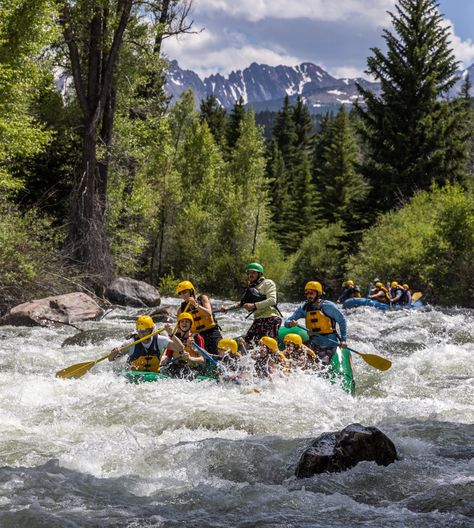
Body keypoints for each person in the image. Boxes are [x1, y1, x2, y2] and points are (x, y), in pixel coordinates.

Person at [285, 281, 348, 366]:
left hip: (329, 344)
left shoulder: (328, 306)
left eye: (311, 293)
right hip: (313, 342)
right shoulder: (304, 308)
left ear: (318, 293)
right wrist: (290, 324)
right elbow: (287, 322)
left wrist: (343, 340)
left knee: (320, 365)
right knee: (295, 355)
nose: (308, 295)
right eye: (307, 293)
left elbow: (342, 321)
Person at [223, 262, 281, 345]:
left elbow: (272, 300)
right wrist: (227, 308)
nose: (251, 275)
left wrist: (253, 305)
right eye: (249, 273)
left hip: (271, 318)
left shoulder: (268, 283)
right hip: (258, 319)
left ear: (259, 274)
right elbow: (242, 303)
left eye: (253, 272)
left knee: (265, 346)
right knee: (248, 342)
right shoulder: (252, 287)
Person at [108, 315, 183, 372]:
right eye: (139, 330)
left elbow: (180, 348)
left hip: (154, 374)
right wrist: (113, 354)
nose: (141, 334)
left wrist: (171, 334)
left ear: (151, 330)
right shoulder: (131, 343)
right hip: (135, 375)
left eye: (144, 330)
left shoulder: (159, 340)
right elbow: (110, 359)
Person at [176, 280, 222, 357]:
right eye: (181, 293)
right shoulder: (181, 309)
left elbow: (208, 313)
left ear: (191, 291)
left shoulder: (202, 298)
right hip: (198, 336)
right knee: (205, 357)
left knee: (220, 352)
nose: (183, 295)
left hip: (212, 331)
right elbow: (180, 328)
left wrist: (195, 305)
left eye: (185, 292)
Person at [161, 312, 205, 378]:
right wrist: (164, 360)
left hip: (192, 369)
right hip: (177, 367)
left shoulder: (197, 337)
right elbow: (168, 355)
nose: (184, 323)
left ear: (190, 324)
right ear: (179, 324)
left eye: (187, 322)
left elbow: (202, 359)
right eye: (182, 322)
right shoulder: (175, 338)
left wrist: (190, 358)